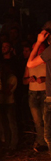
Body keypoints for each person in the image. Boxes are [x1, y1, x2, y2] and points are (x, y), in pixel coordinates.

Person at [26, 22, 51, 152]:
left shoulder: (49, 52)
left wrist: (37, 43)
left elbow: (30, 64)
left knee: (49, 136)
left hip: (50, 97)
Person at [23, 50, 47, 152]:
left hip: (45, 93)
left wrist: (44, 79)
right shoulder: (30, 64)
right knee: (37, 120)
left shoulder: (47, 62)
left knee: (46, 119)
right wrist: (29, 80)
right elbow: (24, 80)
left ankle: (47, 141)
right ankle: (42, 142)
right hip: (33, 93)